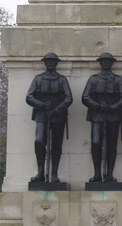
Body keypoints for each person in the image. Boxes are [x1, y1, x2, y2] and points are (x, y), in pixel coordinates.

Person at [82, 53, 122, 182]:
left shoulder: (118, 80)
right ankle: (97, 173)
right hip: (97, 115)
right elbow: (85, 97)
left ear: (112, 63)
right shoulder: (93, 79)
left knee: (111, 146)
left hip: (113, 115)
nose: (106, 63)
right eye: (104, 61)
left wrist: (112, 107)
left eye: (108, 61)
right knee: (96, 144)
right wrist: (97, 106)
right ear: (100, 63)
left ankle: (109, 174)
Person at [26, 52, 73, 182]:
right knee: (39, 141)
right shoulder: (38, 79)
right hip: (42, 114)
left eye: (53, 61)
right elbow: (29, 97)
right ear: (45, 63)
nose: (51, 63)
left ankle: (54, 173)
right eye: (48, 61)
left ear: (56, 63)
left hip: (58, 116)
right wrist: (42, 105)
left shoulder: (62, 79)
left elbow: (68, 98)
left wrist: (57, 110)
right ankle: (40, 172)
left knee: (56, 145)